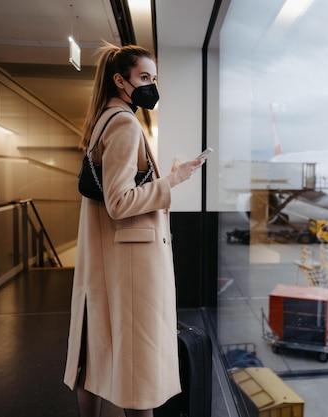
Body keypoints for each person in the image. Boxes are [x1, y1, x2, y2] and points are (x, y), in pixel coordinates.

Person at [63, 42, 203, 417]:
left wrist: (165, 177)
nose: (151, 86)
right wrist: (172, 180)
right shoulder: (124, 123)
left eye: (154, 79)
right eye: (144, 78)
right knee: (139, 370)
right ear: (120, 81)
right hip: (131, 265)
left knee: (95, 355)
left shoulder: (105, 119)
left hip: (111, 257)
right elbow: (120, 202)